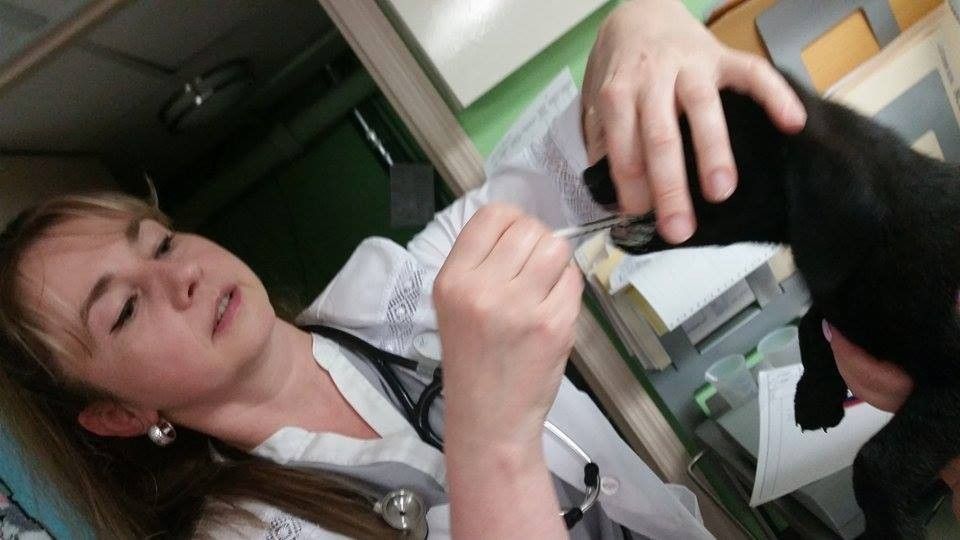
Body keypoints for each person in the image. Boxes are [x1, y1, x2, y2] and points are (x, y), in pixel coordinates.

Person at [0, 0, 871, 538]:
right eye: (122, 311)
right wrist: (490, 443)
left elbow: (563, 166)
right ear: (117, 415)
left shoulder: (389, 293)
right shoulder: (248, 533)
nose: (179, 274)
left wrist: (640, 29)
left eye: (157, 240)